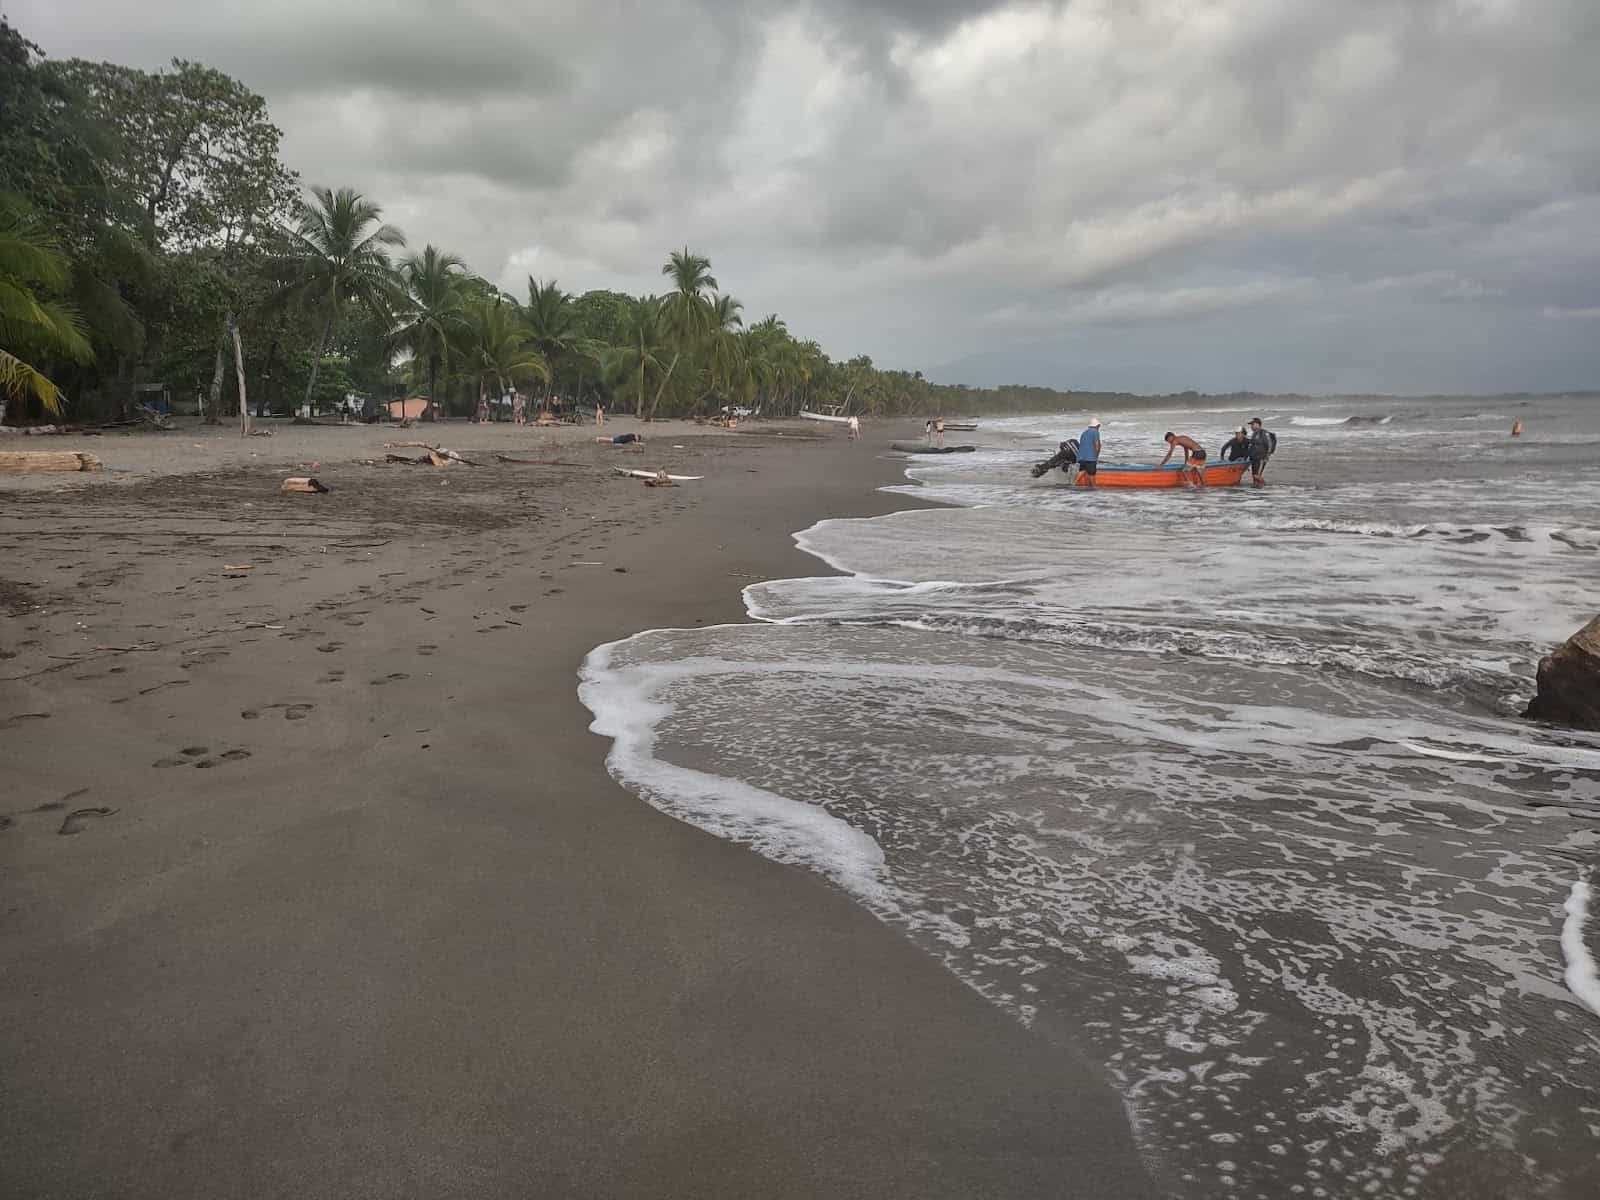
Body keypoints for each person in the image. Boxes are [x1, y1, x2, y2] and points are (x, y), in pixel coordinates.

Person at [1247, 417, 1276, 486]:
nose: (1251, 426)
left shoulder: (1264, 433)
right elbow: (1252, 446)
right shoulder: (1254, 434)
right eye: (1251, 425)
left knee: (1257, 476)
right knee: (1254, 476)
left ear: (1257, 424)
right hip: (1254, 459)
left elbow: (1269, 445)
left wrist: (1266, 456)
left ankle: (1265, 488)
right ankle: (1256, 491)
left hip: (1261, 458)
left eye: (1252, 424)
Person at [1075, 418, 1102, 486]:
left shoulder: (1084, 432)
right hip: (1090, 458)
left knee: (1082, 471)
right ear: (1097, 426)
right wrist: (1096, 456)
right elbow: (1097, 445)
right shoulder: (1095, 432)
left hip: (1082, 457)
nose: (1099, 427)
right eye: (1098, 426)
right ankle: (1094, 489)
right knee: (1092, 475)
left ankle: (1073, 484)